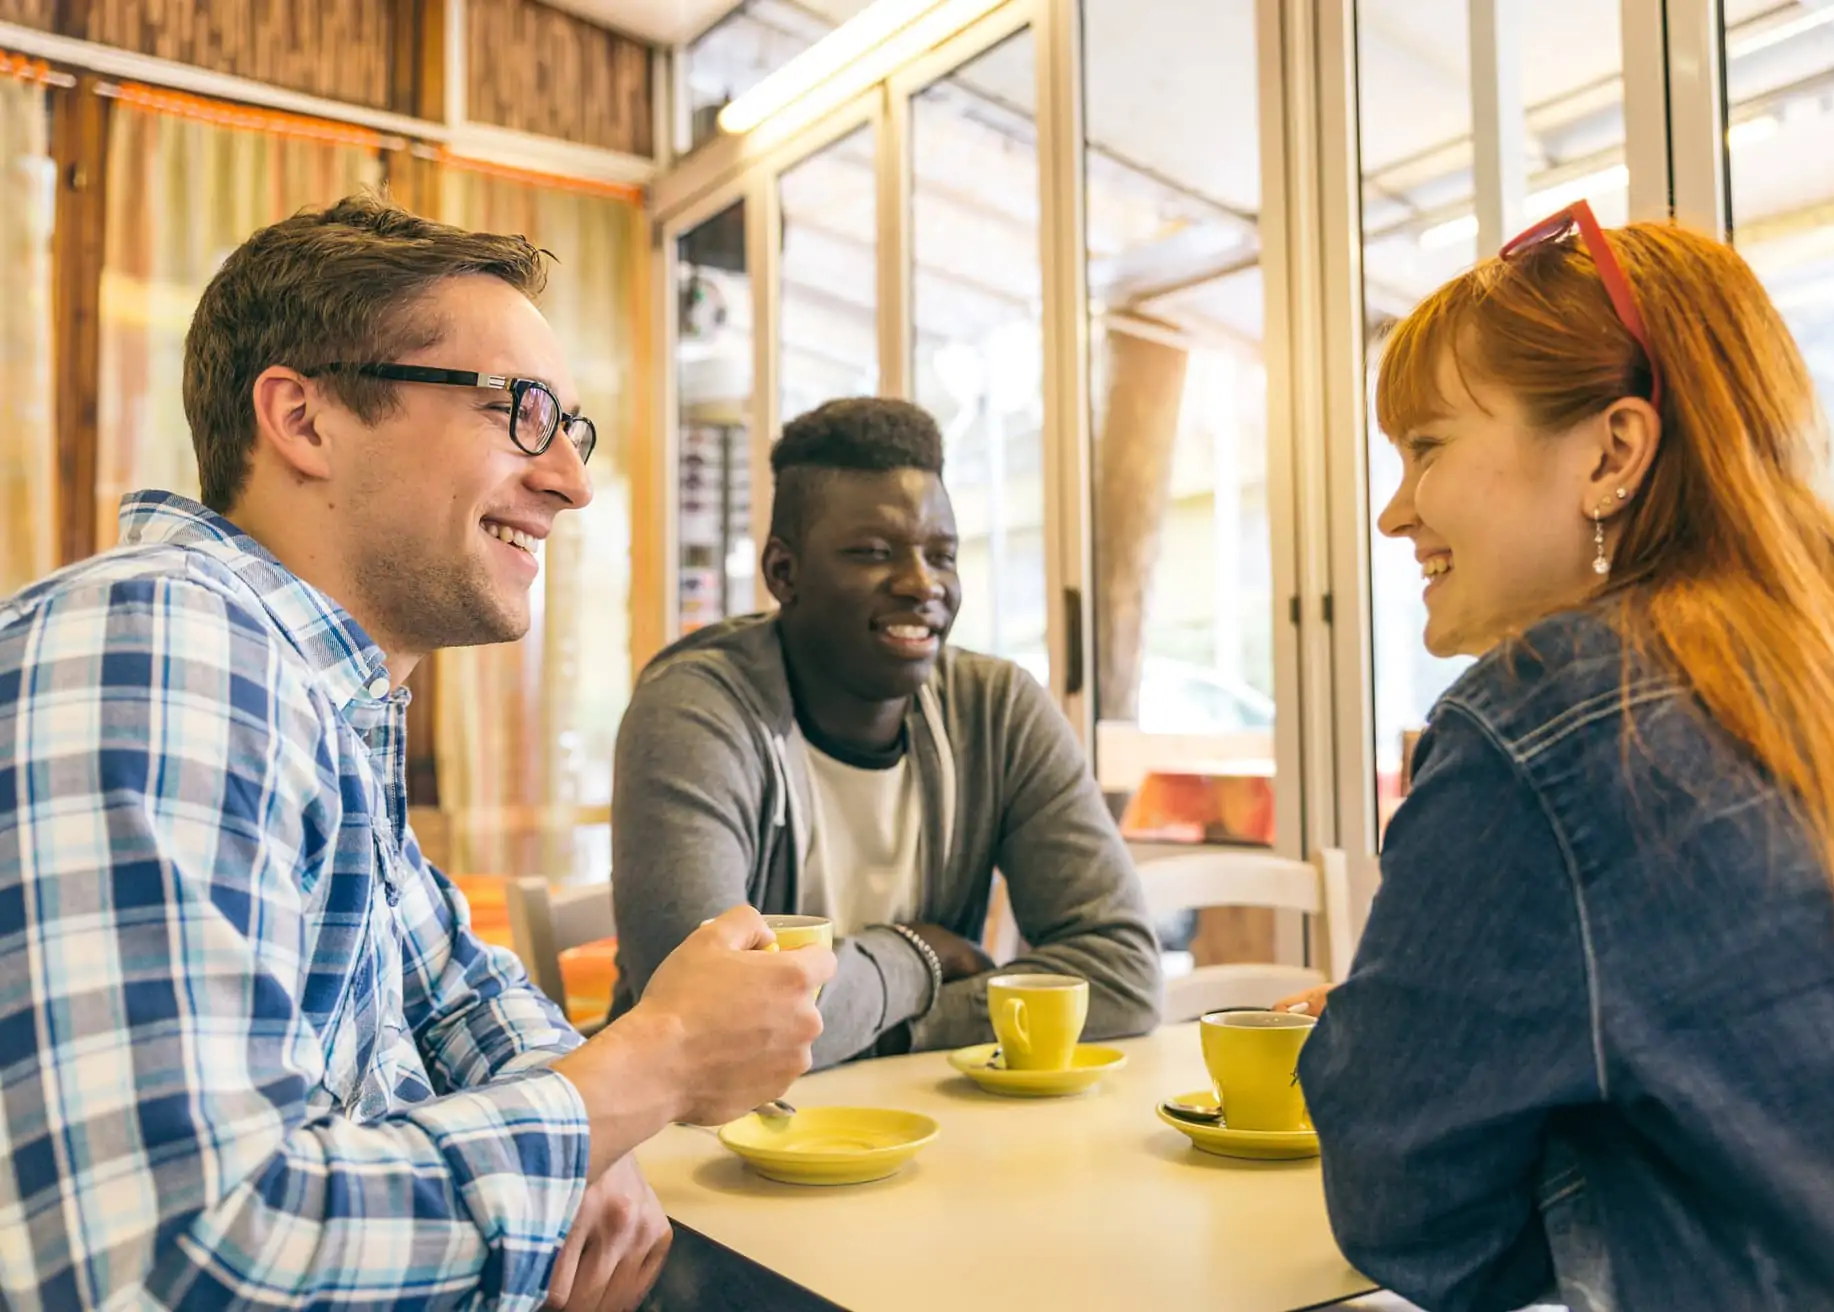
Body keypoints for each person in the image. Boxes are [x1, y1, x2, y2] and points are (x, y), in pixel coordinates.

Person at [0, 194, 834, 1310]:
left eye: (571, 431)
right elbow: (190, 1254)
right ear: (302, 419)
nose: (572, 481)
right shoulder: (157, 646)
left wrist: (601, 1126)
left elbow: (452, 991)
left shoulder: (319, 691)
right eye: (519, 412)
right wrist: (653, 1065)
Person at [1284, 201, 1834, 1311]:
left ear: (1614, 451)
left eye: (1426, 447)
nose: (1395, 512)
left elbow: (1403, 1209)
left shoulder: (1551, 725)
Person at [605, 397, 1161, 1066]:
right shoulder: (696, 710)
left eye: (942, 554)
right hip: (701, 1142)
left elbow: (1122, 977)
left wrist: (895, 1030)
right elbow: (705, 1021)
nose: (921, 583)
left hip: (922, 1129)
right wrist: (914, 959)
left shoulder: (998, 710)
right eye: (873, 553)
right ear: (784, 573)